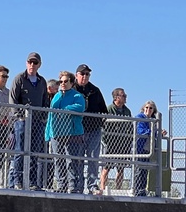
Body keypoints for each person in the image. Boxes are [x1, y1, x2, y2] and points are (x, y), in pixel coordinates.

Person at [8, 52, 48, 190]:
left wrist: (43, 118)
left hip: (37, 121)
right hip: (22, 121)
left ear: (39, 65)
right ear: (26, 63)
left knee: (34, 152)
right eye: (30, 62)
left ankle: (32, 182)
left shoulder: (42, 81)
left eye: (35, 62)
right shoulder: (19, 78)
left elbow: (45, 101)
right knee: (19, 150)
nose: (32, 65)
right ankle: (17, 181)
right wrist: (19, 116)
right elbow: (13, 99)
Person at [45, 71, 86, 194]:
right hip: (56, 133)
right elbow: (51, 114)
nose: (62, 83)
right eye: (60, 81)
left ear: (71, 83)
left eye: (65, 81)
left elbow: (80, 107)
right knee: (58, 160)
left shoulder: (77, 96)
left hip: (72, 133)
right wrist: (48, 132)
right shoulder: (57, 96)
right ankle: (61, 184)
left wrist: (64, 110)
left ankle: (73, 185)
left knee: (71, 161)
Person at [74, 64, 107, 194]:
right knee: (78, 158)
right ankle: (78, 185)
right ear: (76, 75)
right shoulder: (72, 89)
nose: (85, 76)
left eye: (87, 74)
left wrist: (100, 121)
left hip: (93, 129)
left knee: (93, 158)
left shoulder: (95, 90)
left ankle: (92, 185)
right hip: (78, 130)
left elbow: (103, 110)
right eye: (82, 74)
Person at [100, 87, 134, 193]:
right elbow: (103, 125)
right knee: (107, 168)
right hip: (111, 143)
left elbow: (130, 127)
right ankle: (102, 188)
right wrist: (106, 140)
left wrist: (129, 141)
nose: (125, 97)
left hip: (123, 144)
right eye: (123, 95)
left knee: (121, 168)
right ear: (116, 97)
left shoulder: (127, 111)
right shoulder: (109, 109)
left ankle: (118, 190)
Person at [133, 100, 162, 196]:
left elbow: (153, 132)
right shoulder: (140, 117)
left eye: (150, 108)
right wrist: (153, 132)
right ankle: (136, 189)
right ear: (143, 108)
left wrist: (159, 132)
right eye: (146, 107)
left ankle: (142, 189)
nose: (148, 110)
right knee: (139, 169)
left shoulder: (153, 120)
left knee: (145, 170)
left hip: (147, 148)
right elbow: (141, 131)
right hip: (139, 147)